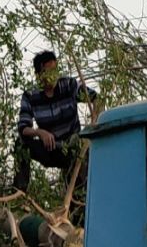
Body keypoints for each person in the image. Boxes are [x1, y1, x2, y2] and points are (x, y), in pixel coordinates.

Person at [13, 51, 97, 196]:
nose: (53, 75)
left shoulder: (69, 85)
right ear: (39, 75)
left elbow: (95, 98)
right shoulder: (30, 96)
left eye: (55, 70)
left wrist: (94, 121)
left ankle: (79, 199)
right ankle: (19, 193)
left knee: (78, 190)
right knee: (21, 145)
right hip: (50, 148)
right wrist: (40, 132)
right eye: (48, 72)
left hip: (72, 149)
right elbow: (23, 128)